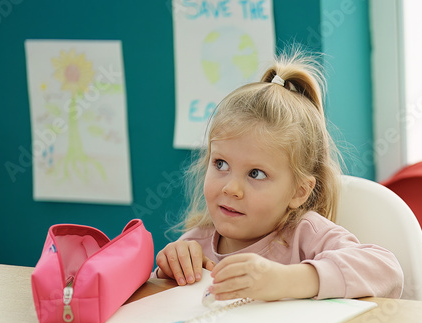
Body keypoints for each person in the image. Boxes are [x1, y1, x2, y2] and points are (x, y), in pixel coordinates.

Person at [155, 52, 404, 301]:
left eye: (256, 173)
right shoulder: (197, 242)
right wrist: (170, 268)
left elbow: (386, 271)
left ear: (299, 191)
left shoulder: (305, 235)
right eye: (220, 164)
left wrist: (288, 280)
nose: (231, 188)